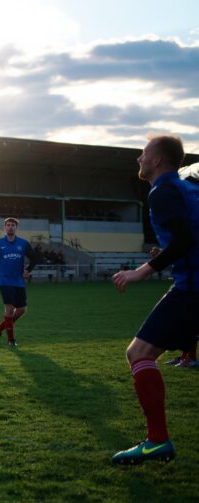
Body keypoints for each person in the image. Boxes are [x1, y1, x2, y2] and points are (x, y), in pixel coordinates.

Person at [110, 135, 199, 465]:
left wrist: (141, 271)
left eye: (144, 154)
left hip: (193, 288)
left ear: (158, 161)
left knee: (139, 352)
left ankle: (158, 440)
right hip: (192, 280)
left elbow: (185, 239)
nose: (139, 159)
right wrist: (168, 255)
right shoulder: (187, 188)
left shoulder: (162, 192)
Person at [0, 218, 37, 347]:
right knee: (9, 309)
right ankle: (11, 340)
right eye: (8, 225)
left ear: (16, 228)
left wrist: (28, 270)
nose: (10, 227)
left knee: (22, 310)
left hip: (19, 281)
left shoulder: (23, 243)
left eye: (13, 225)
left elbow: (34, 258)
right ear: (4, 228)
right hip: (5, 281)